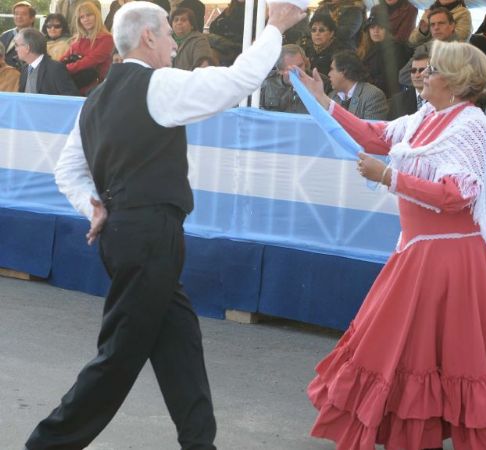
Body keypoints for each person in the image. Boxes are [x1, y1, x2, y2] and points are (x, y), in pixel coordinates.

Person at [25, 2, 305, 449]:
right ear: (148, 37)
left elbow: (67, 172)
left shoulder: (95, 97)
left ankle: (199, 443)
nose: (177, 44)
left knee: (179, 343)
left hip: (127, 235)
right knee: (119, 356)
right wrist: (273, 27)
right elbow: (237, 81)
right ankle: (46, 444)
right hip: (149, 235)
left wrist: (92, 207)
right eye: (169, 36)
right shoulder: (159, 85)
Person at [298, 39, 486, 450]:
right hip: (419, 253)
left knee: (450, 356)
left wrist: (390, 178)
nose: (422, 74)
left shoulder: (470, 125)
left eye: (432, 70)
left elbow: (458, 196)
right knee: (412, 353)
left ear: (455, 82)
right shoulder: (426, 116)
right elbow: (376, 134)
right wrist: (324, 102)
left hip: (451, 257)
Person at [61, 1, 115, 95]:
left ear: (96, 16)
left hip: (95, 89)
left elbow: (89, 61)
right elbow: (62, 59)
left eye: (89, 15)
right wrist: (57, 68)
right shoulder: (77, 40)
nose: (86, 19)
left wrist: (64, 69)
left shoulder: (107, 39)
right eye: (82, 17)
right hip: (74, 85)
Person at [260, 43, 331, 113]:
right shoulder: (267, 83)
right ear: (280, 71)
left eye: (300, 65)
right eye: (292, 68)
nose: (298, 71)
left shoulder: (321, 82)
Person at [397, 7, 457, 86]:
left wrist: (422, 80)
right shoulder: (423, 48)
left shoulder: (465, 51)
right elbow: (403, 76)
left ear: (452, 26)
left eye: (441, 23)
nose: (436, 27)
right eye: (432, 25)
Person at [15, 28, 79, 96]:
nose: (15, 49)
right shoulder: (25, 69)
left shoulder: (55, 69)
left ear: (27, 48)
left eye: (17, 45)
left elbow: (71, 97)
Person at [356, 15, 409, 97]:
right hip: (367, 93)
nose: (376, 31)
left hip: (389, 96)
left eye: (380, 27)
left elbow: (392, 79)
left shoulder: (396, 49)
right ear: (368, 31)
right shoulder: (364, 50)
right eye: (372, 27)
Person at [328, 49, 388, 119]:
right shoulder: (332, 96)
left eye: (332, 69)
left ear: (344, 71)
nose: (329, 74)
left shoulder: (373, 96)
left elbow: (370, 129)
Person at [388, 49, 427, 118]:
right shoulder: (398, 101)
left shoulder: (442, 98)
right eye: (413, 71)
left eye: (422, 70)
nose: (417, 75)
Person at [0, 1, 36, 70]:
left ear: (32, 18)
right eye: (16, 14)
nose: (19, 17)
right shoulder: (5, 35)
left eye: (24, 14)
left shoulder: (37, 38)